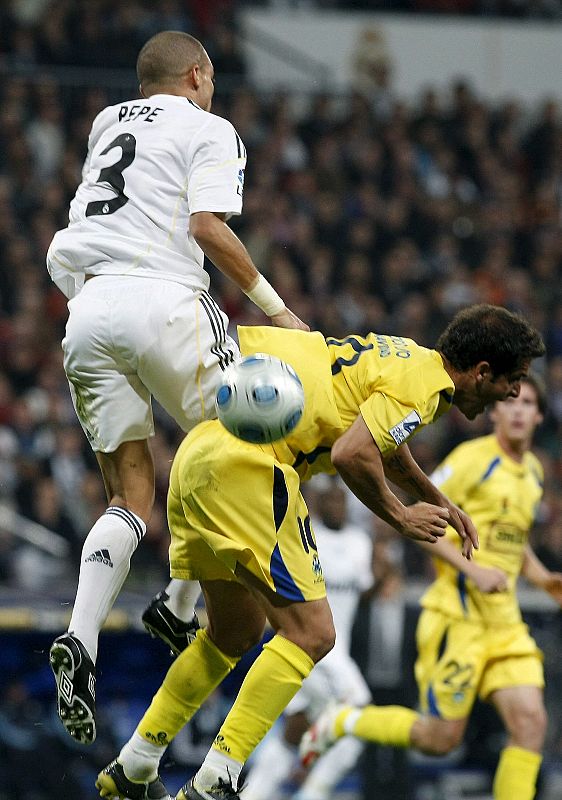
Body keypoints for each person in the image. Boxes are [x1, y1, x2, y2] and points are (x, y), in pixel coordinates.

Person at [93, 303, 545, 800]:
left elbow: (384, 445)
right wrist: (400, 515)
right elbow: (355, 452)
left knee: (234, 632)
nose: (515, 393)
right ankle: (217, 779)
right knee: (312, 633)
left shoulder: (408, 359)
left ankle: (133, 765)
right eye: (514, 380)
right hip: (252, 469)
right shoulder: (426, 387)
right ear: (482, 372)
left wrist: (436, 499)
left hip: (202, 455)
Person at [47, 30, 307, 748]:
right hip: (165, 300)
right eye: (212, 80)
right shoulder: (210, 126)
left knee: (130, 495)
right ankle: (181, 595)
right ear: (197, 75)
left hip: (88, 307)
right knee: (246, 437)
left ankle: (81, 634)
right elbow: (207, 228)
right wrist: (277, 309)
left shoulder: (106, 122)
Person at [301, 373, 562, 800]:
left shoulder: (533, 472)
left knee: (530, 723)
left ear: (538, 416)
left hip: (506, 626)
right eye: (511, 402)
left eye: (529, 404)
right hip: (456, 620)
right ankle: (343, 722)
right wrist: (471, 571)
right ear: (494, 411)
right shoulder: (471, 460)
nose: (518, 410)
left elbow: (511, 542)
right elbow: (421, 519)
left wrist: (540, 576)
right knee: (439, 739)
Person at [242, 477, 373, 800]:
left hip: (339, 653)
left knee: (294, 730)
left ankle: (252, 795)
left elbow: (363, 589)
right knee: (360, 714)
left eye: (341, 500)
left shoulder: (361, 543)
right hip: (313, 648)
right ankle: (314, 793)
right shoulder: (306, 538)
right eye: (330, 500)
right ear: (318, 502)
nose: (336, 506)